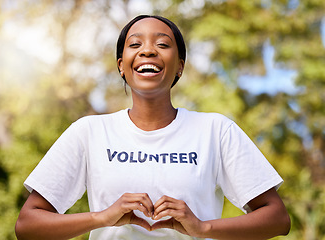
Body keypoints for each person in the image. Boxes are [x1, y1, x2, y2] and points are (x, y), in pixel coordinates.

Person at [15, 15, 291, 240]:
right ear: (122, 66)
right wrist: (102, 217)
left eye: (162, 44)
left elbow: (277, 219)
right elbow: (28, 225)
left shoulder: (216, 130)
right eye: (135, 44)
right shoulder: (88, 132)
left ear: (180, 67)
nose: (148, 50)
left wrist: (202, 227)